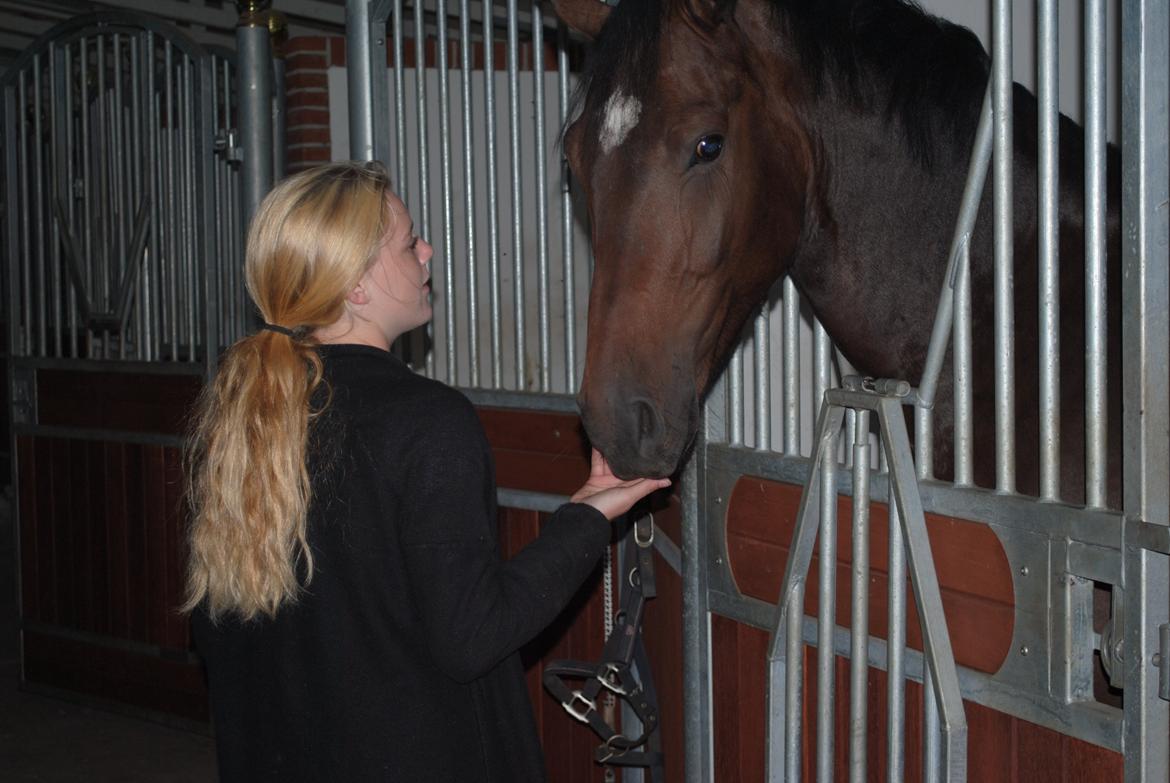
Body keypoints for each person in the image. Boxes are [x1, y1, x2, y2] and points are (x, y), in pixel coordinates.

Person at [183, 160, 669, 782]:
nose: (428, 250)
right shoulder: (426, 421)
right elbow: (472, 635)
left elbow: (222, 628)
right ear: (357, 286)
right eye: (409, 240)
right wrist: (584, 520)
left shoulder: (238, 421)